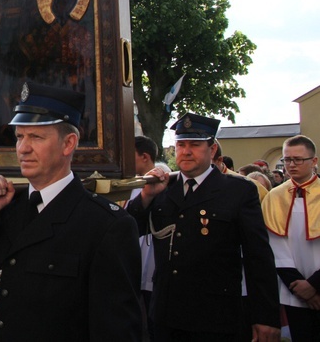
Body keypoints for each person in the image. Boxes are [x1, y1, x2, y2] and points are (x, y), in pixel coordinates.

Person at [0, 81, 142, 341]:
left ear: (68, 143)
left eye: (36, 137)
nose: (23, 148)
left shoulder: (105, 224)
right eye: (19, 137)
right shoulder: (3, 210)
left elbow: (115, 329)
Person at [127, 112, 281, 341]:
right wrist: (146, 197)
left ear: (212, 150)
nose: (186, 151)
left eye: (195, 145)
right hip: (166, 314)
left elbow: (258, 257)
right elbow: (129, 232)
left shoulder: (237, 191)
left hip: (215, 316)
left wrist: (265, 316)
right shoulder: (162, 188)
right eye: (180, 144)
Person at [261, 135, 320, 341]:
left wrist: (315, 285)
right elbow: (275, 246)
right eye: (286, 160)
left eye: (298, 159)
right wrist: (300, 286)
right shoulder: (274, 197)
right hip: (294, 290)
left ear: (314, 161)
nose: (291, 165)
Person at [130, 135, 159, 341]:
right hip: (136, 263)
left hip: (150, 264)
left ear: (145, 157)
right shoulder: (133, 181)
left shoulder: (159, 179)